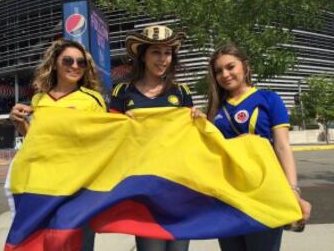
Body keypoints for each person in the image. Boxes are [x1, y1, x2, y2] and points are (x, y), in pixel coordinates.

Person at [206, 43, 312, 251]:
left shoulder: (269, 99)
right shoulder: (215, 110)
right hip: (228, 197)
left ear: (245, 67)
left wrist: (293, 190)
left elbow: (282, 147)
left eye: (230, 67)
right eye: (218, 71)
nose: (225, 74)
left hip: (265, 193)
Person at [110, 25, 203, 251]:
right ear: (142, 55)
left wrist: (198, 121)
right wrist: (120, 125)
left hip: (179, 187)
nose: (162, 59)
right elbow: (109, 139)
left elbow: (191, 140)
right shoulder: (121, 92)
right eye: (156, 52)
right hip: (142, 189)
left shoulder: (182, 92)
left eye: (167, 53)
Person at [9, 39, 105, 251]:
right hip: (44, 186)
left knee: (80, 245)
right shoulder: (38, 100)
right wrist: (20, 124)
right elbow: (36, 141)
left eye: (81, 63)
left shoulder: (93, 100)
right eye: (68, 60)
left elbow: (103, 142)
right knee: (47, 244)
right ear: (54, 64)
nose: (75, 66)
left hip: (79, 188)